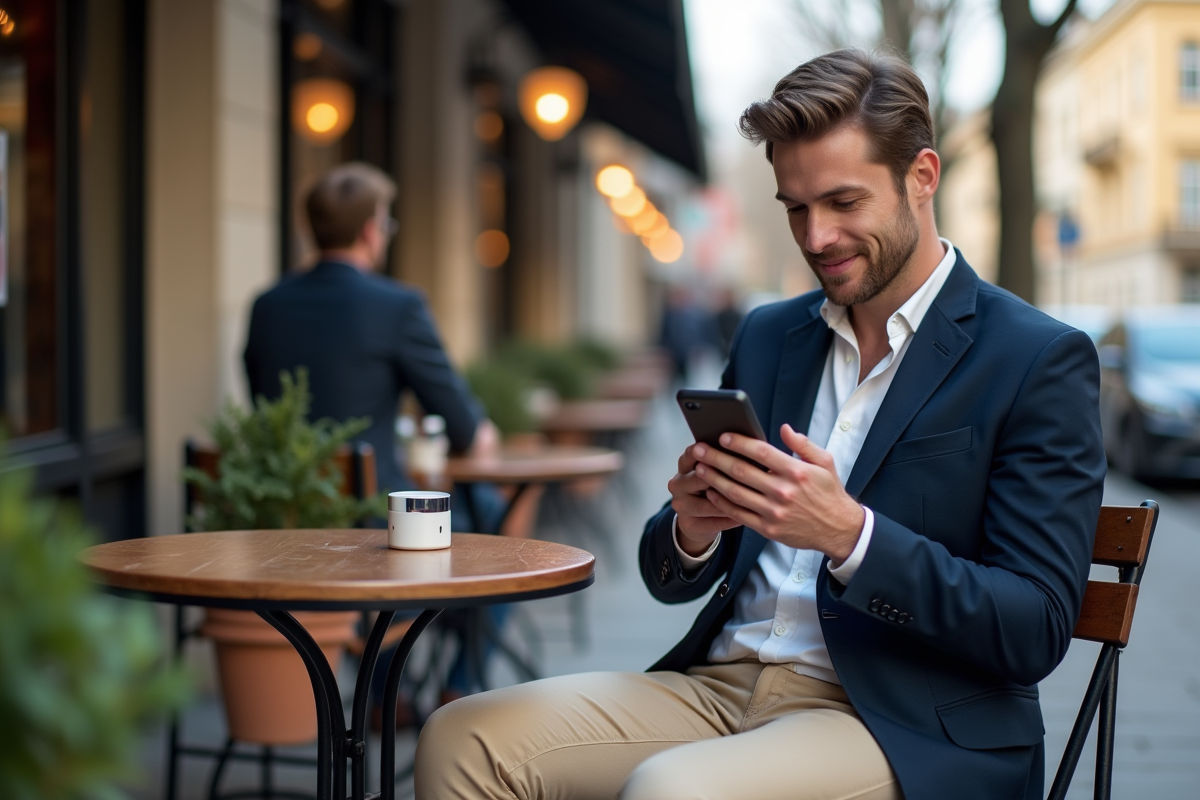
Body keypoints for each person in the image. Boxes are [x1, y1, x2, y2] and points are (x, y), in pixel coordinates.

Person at [414, 49, 1105, 800]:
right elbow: (666, 573)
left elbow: (1034, 626)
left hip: (899, 722)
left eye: (844, 203)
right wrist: (692, 529)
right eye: (795, 208)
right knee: (461, 739)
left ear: (923, 176)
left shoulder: (1036, 358)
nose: (815, 238)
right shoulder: (769, 337)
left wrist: (850, 536)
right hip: (719, 688)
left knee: (672, 791)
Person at [243, 162, 504, 723]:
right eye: (386, 222)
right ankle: (454, 686)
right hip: (375, 527)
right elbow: (459, 422)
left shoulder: (267, 306)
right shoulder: (396, 306)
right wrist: (482, 431)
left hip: (282, 523)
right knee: (497, 524)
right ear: (369, 230)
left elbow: (266, 411)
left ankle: (387, 694)